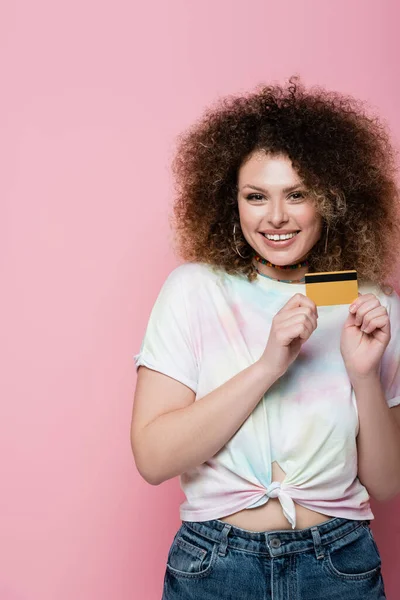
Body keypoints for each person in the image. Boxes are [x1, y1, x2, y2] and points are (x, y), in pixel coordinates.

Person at [131, 76, 400, 599]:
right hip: (216, 565)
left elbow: (387, 484)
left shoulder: (370, 304)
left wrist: (364, 376)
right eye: (256, 196)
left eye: (296, 195)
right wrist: (267, 367)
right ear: (230, 201)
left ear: (332, 200)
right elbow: (153, 459)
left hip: (340, 566)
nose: (275, 217)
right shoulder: (195, 290)